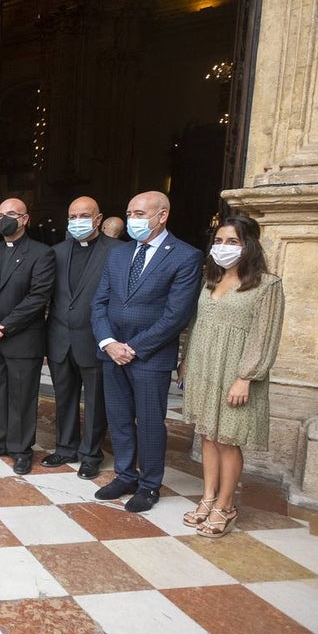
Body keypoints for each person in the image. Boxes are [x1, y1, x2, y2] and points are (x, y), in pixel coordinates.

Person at [91, 191, 202, 512]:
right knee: (120, 418)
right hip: (112, 353)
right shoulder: (118, 254)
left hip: (150, 358)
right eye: (130, 213)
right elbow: (99, 303)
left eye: (140, 214)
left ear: (162, 215)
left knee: (151, 423)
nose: (132, 220)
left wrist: (135, 348)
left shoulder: (185, 256)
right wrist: (108, 343)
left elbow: (176, 315)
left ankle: (150, 484)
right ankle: (125, 475)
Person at [180, 214, 284, 537]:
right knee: (208, 435)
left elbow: (264, 336)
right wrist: (186, 360)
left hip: (236, 370)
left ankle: (226, 505)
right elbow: (198, 324)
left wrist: (246, 377)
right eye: (220, 241)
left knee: (228, 440)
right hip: (205, 367)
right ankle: (208, 497)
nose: (223, 247)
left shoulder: (267, 285)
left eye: (233, 242)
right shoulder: (210, 279)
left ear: (248, 246)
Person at [0, 197, 55, 475]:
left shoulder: (42, 253)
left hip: (21, 339)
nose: (5, 219)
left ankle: (20, 448)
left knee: (21, 397)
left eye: (12, 214)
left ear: (25, 219)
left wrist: (4, 326)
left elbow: (38, 297)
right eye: (0, 214)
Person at [43, 197, 113, 479]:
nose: (77, 221)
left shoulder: (116, 252)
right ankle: (66, 446)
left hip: (95, 340)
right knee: (64, 397)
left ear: (98, 219)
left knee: (96, 401)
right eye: (72, 216)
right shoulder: (56, 252)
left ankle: (90, 454)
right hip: (60, 337)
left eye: (84, 215)